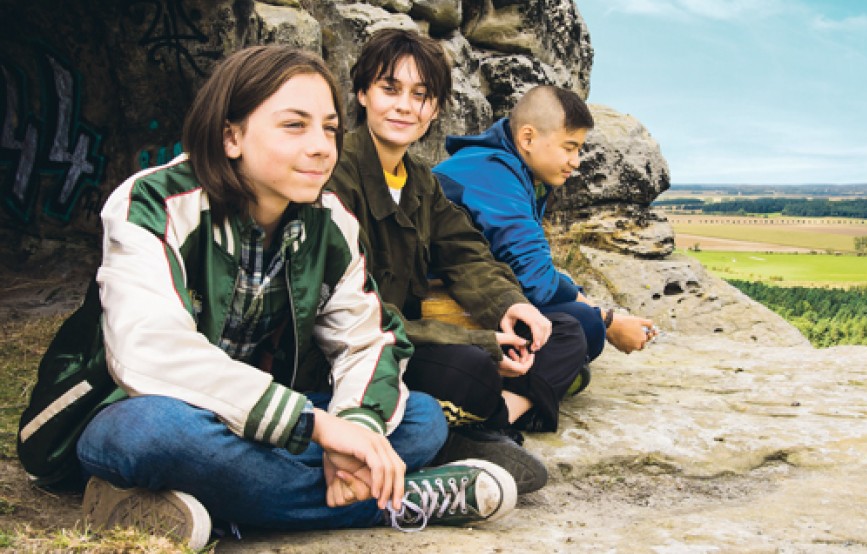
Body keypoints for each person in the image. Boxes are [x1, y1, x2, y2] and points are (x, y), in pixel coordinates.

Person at [23, 45, 517, 549]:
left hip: (251, 420)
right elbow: (148, 351)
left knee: (420, 419)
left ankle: (202, 500)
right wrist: (317, 429)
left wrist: (353, 425)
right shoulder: (153, 202)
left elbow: (367, 340)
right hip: (119, 407)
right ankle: (399, 502)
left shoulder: (329, 221)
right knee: (153, 432)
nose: (323, 146)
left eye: (329, 127)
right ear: (231, 135)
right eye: (294, 125)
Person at [327, 29, 588, 495]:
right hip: (362, 346)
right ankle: (463, 436)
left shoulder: (420, 182)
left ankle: (482, 430)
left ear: (434, 108)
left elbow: (468, 255)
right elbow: (362, 315)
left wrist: (510, 306)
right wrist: (487, 342)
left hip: (413, 335)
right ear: (363, 92)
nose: (405, 106)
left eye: (421, 95)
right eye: (390, 89)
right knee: (472, 368)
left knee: (563, 330)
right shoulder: (335, 176)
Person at [433, 85, 658, 365]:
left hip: (472, 295)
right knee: (584, 326)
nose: (575, 162)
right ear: (527, 138)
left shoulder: (513, 170)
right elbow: (536, 281)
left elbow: (532, 272)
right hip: (434, 306)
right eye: (569, 148)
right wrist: (608, 321)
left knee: (578, 325)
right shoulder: (492, 173)